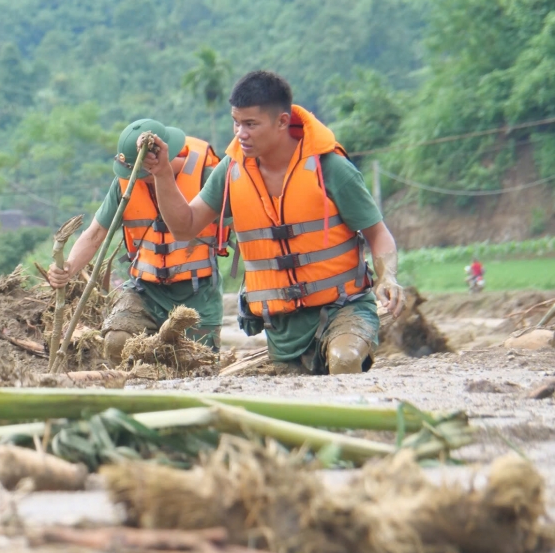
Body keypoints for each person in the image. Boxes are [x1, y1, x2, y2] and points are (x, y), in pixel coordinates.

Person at [143, 71, 403, 374]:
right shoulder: (231, 170)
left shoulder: (330, 167)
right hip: (282, 327)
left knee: (345, 361)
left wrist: (388, 277)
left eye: (251, 124)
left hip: (343, 308)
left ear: (281, 122)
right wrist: (162, 173)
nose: (241, 133)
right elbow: (184, 226)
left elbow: (378, 233)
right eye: (236, 122)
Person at [48, 120, 227, 364]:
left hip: (197, 293)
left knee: (198, 364)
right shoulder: (125, 185)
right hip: (146, 291)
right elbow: (96, 232)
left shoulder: (207, 177)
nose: (135, 179)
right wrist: (68, 269)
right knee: (117, 343)